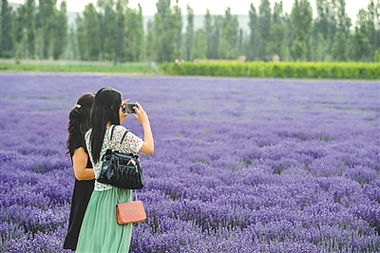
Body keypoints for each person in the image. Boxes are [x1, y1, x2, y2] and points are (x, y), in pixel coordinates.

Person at [76, 87, 154, 252]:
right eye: (120, 106)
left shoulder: (90, 134)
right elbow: (149, 148)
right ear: (113, 109)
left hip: (97, 197)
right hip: (117, 197)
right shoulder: (119, 133)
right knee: (115, 245)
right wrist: (145, 122)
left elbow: (109, 141)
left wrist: (118, 121)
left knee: (97, 244)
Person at [63, 93, 96, 251]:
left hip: (94, 191)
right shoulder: (80, 140)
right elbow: (80, 173)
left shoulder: (90, 137)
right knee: (86, 236)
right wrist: (106, 170)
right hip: (86, 193)